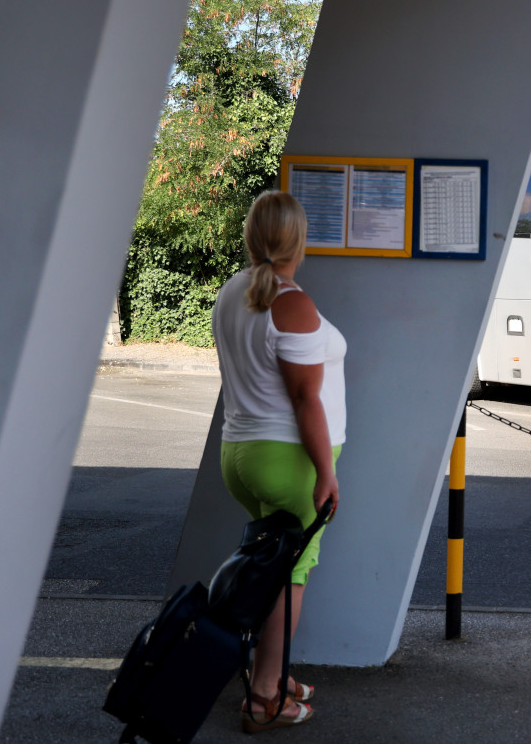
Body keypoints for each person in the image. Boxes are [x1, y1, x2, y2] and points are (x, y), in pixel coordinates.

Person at [212, 190, 346, 733]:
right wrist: (327, 473)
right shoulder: (291, 303)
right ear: (299, 240)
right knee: (293, 573)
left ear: (251, 235)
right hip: (288, 460)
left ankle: (272, 670)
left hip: (239, 453)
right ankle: (266, 694)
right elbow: (304, 399)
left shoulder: (232, 292)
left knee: (271, 569)